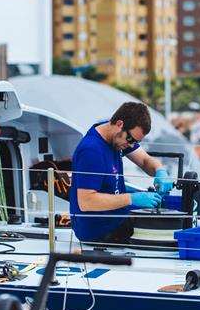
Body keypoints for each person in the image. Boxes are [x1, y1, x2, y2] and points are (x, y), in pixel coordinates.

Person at [70, 102, 174, 244]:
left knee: (173, 226)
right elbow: (86, 202)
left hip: (117, 217)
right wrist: (132, 199)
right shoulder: (91, 150)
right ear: (119, 124)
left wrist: (159, 170)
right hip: (97, 230)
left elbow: (144, 161)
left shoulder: (114, 134)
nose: (131, 146)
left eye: (136, 142)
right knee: (167, 234)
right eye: (130, 140)